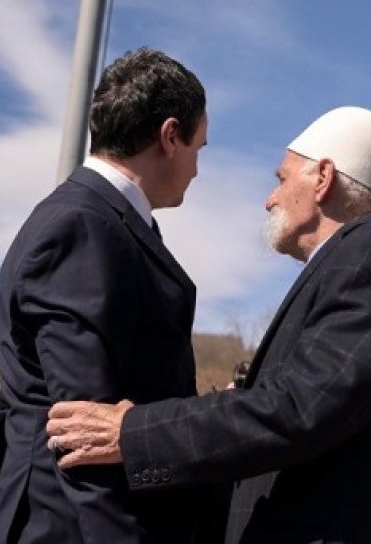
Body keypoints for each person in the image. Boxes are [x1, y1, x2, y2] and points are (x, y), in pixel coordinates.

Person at [47, 106, 371, 543]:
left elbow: (300, 409)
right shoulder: (356, 259)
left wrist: (132, 434)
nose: (270, 198)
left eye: (282, 179)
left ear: (323, 178)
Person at [0, 47, 216, 543]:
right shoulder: (83, 226)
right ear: (169, 136)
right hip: (72, 526)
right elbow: (83, 433)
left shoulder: (101, 222)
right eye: (198, 148)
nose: (198, 169)